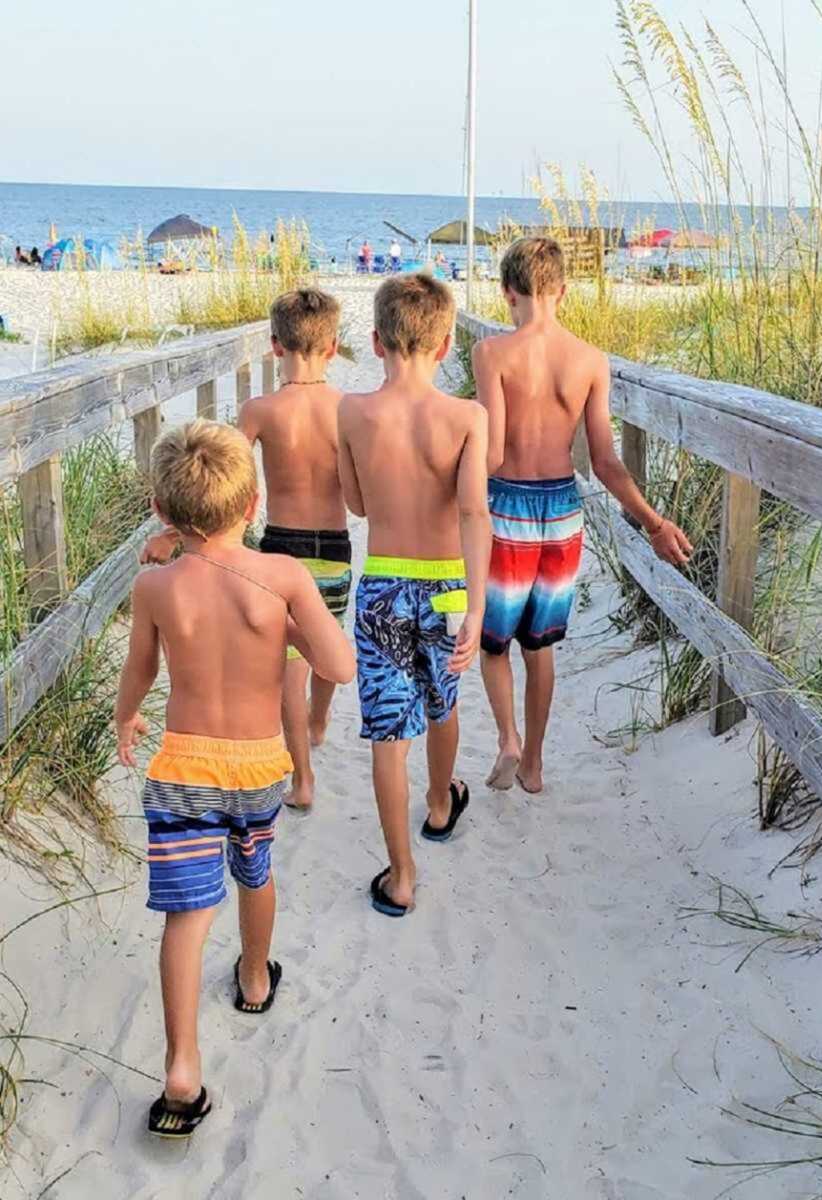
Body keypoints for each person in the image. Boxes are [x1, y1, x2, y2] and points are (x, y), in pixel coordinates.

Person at [116, 420, 354, 1138]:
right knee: (256, 870)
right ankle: (255, 979)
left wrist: (129, 718)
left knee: (186, 916)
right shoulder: (278, 577)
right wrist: (292, 633)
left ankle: (182, 1067)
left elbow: (141, 671)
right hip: (255, 766)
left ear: (162, 511)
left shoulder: (154, 586)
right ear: (252, 507)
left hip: (185, 764)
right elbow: (338, 666)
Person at [473, 236, 693, 795]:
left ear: (507, 292)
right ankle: (535, 765)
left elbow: (493, 454)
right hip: (563, 513)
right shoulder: (591, 360)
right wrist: (654, 521)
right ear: (563, 292)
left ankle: (508, 740)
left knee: (492, 641)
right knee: (539, 644)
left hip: (508, 509)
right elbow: (604, 462)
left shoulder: (492, 354)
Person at [141, 289, 348, 816]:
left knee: (289, 671)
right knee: (325, 646)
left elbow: (221, 474)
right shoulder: (347, 408)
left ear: (275, 347)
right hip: (335, 547)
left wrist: (173, 533)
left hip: (281, 545)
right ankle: (320, 720)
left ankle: (301, 779)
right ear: (333, 346)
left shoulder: (261, 409)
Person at [338, 273, 491, 917]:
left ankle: (401, 876)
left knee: (385, 734)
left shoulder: (350, 411)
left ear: (376, 341)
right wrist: (477, 608)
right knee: (442, 702)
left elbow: (355, 502)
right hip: (449, 587)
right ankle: (438, 803)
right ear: (448, 342)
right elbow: (474, 514)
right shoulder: (466, 417)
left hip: (382, 586)